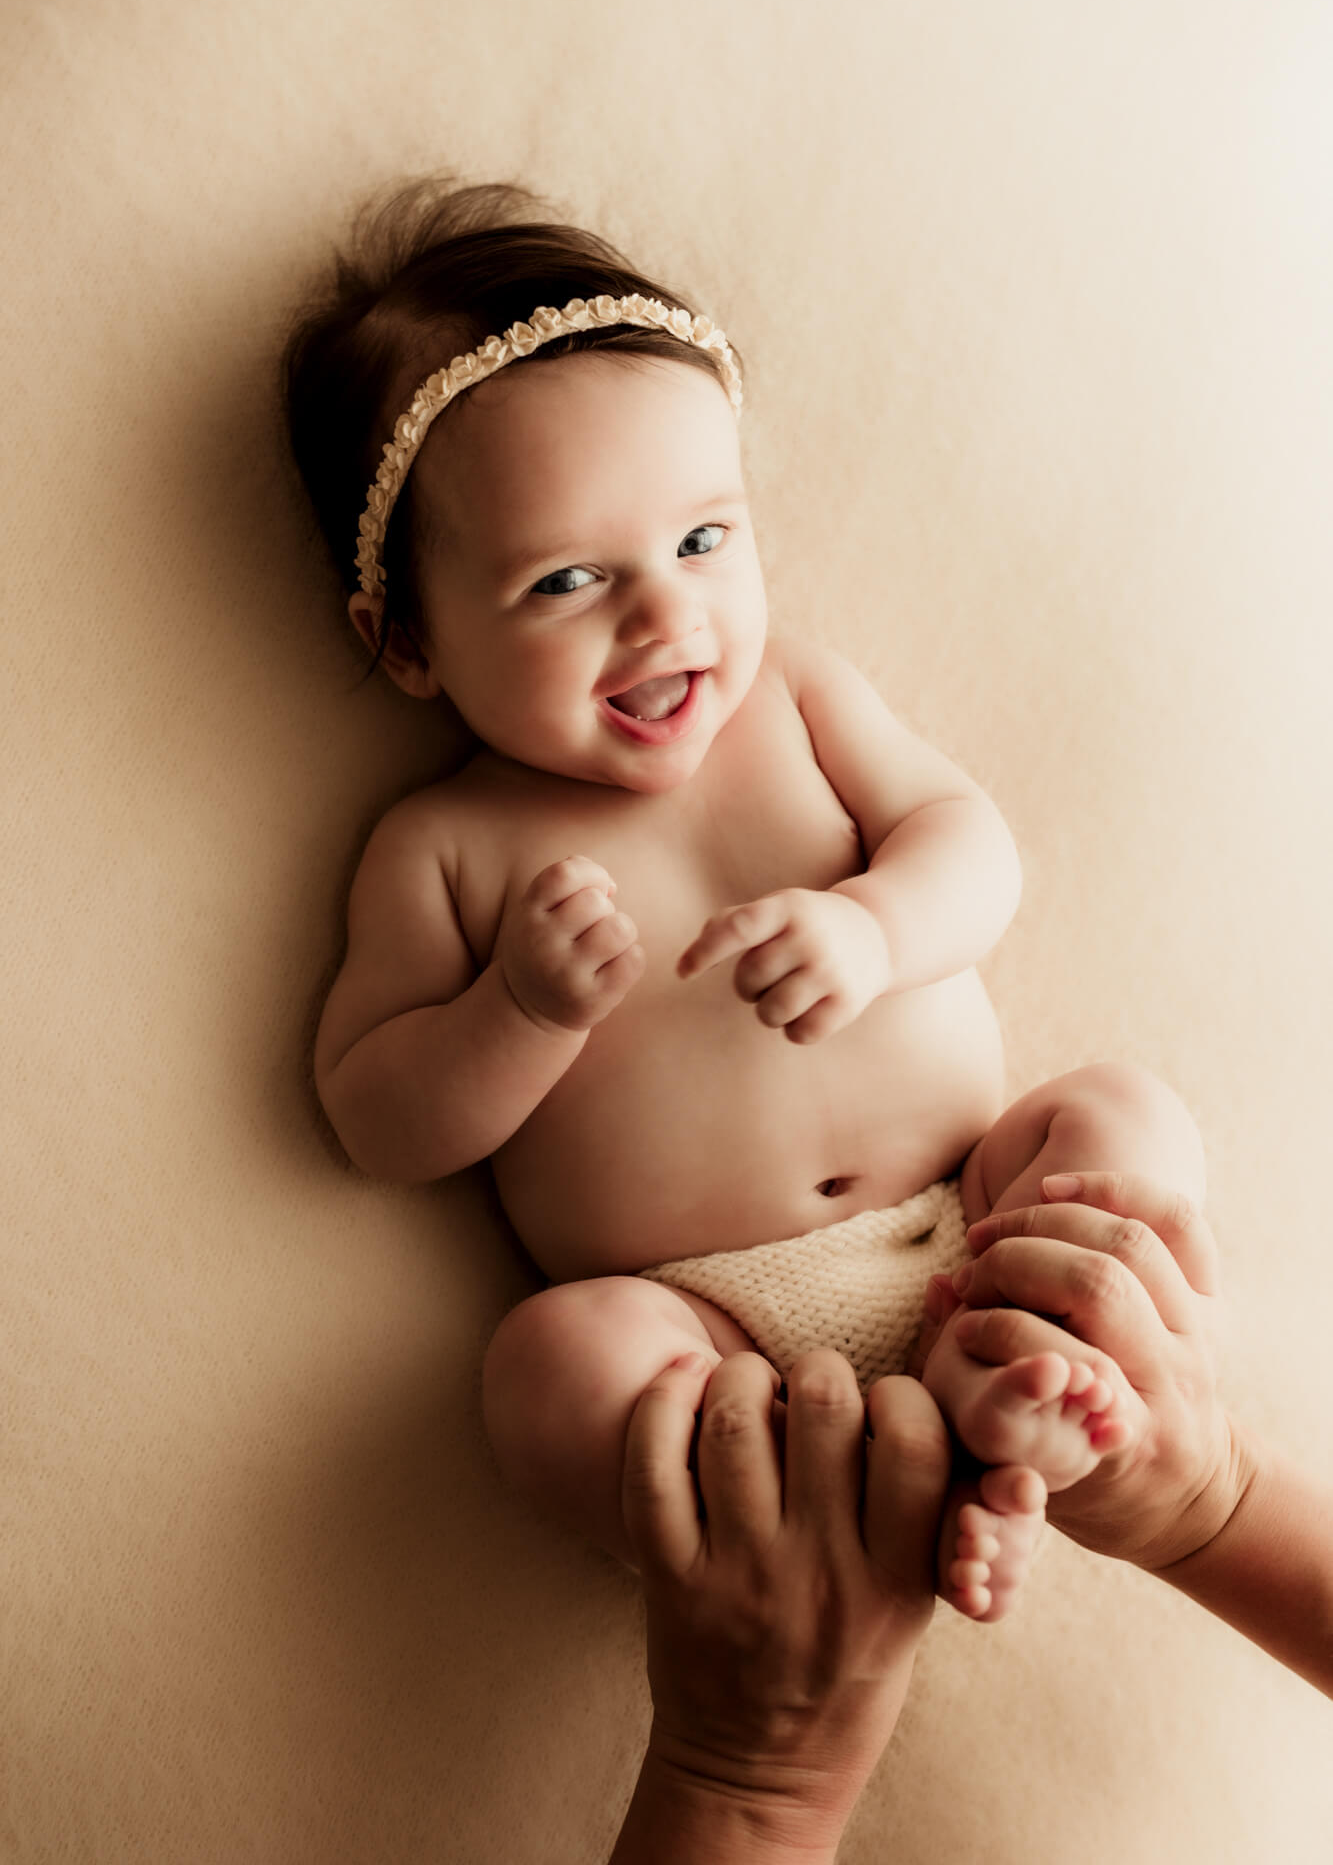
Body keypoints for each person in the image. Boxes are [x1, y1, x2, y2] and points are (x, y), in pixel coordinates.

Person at [284, 176, 1207, 1614]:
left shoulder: (794, 701)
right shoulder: (443, 845)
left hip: (972, 1217)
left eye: (704, 541)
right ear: (406, 643)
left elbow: (973, 847)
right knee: (551, 1369)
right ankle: (831, 1516)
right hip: (716, 1324)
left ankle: (1071, 1361)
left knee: (1122, 1113)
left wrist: (874, 924)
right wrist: (516, 1013)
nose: (666, 616)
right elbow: (374, 1117)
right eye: (570, 581)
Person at [612, 1172, 1332, 1862]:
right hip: (954, 1263)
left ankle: (980, 1431)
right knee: (1123, 1119)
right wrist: (1213, 1499)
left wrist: (751, 1788)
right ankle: (998, 1419)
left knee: (556, 1370)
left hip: (691, 1334)